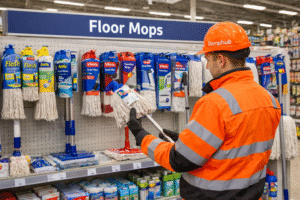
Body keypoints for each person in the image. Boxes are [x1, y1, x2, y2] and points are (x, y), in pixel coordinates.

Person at [127, 22, 281, 200]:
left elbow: (179, 160)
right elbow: (237, 146)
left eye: (208, 60)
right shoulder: (269, 99)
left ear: (221, 60)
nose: (207, 67)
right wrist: (186, 140)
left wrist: (141, 136)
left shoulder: (215, 103)